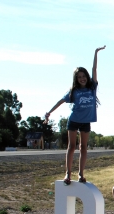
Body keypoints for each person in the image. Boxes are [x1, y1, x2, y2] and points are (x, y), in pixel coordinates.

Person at [44, 46, 106, 185]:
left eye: (84, 76)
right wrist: (49, 112)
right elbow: (61, 100)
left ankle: (81, 174)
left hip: (86, 122)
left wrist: (96, 53)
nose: (82, 79)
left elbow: (94, 70)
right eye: (79, 77)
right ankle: (68, 173)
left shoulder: (92, 88)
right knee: (71, 146)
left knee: (83, 147)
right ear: (76, 79)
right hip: (74, 121)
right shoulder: (74, 91)